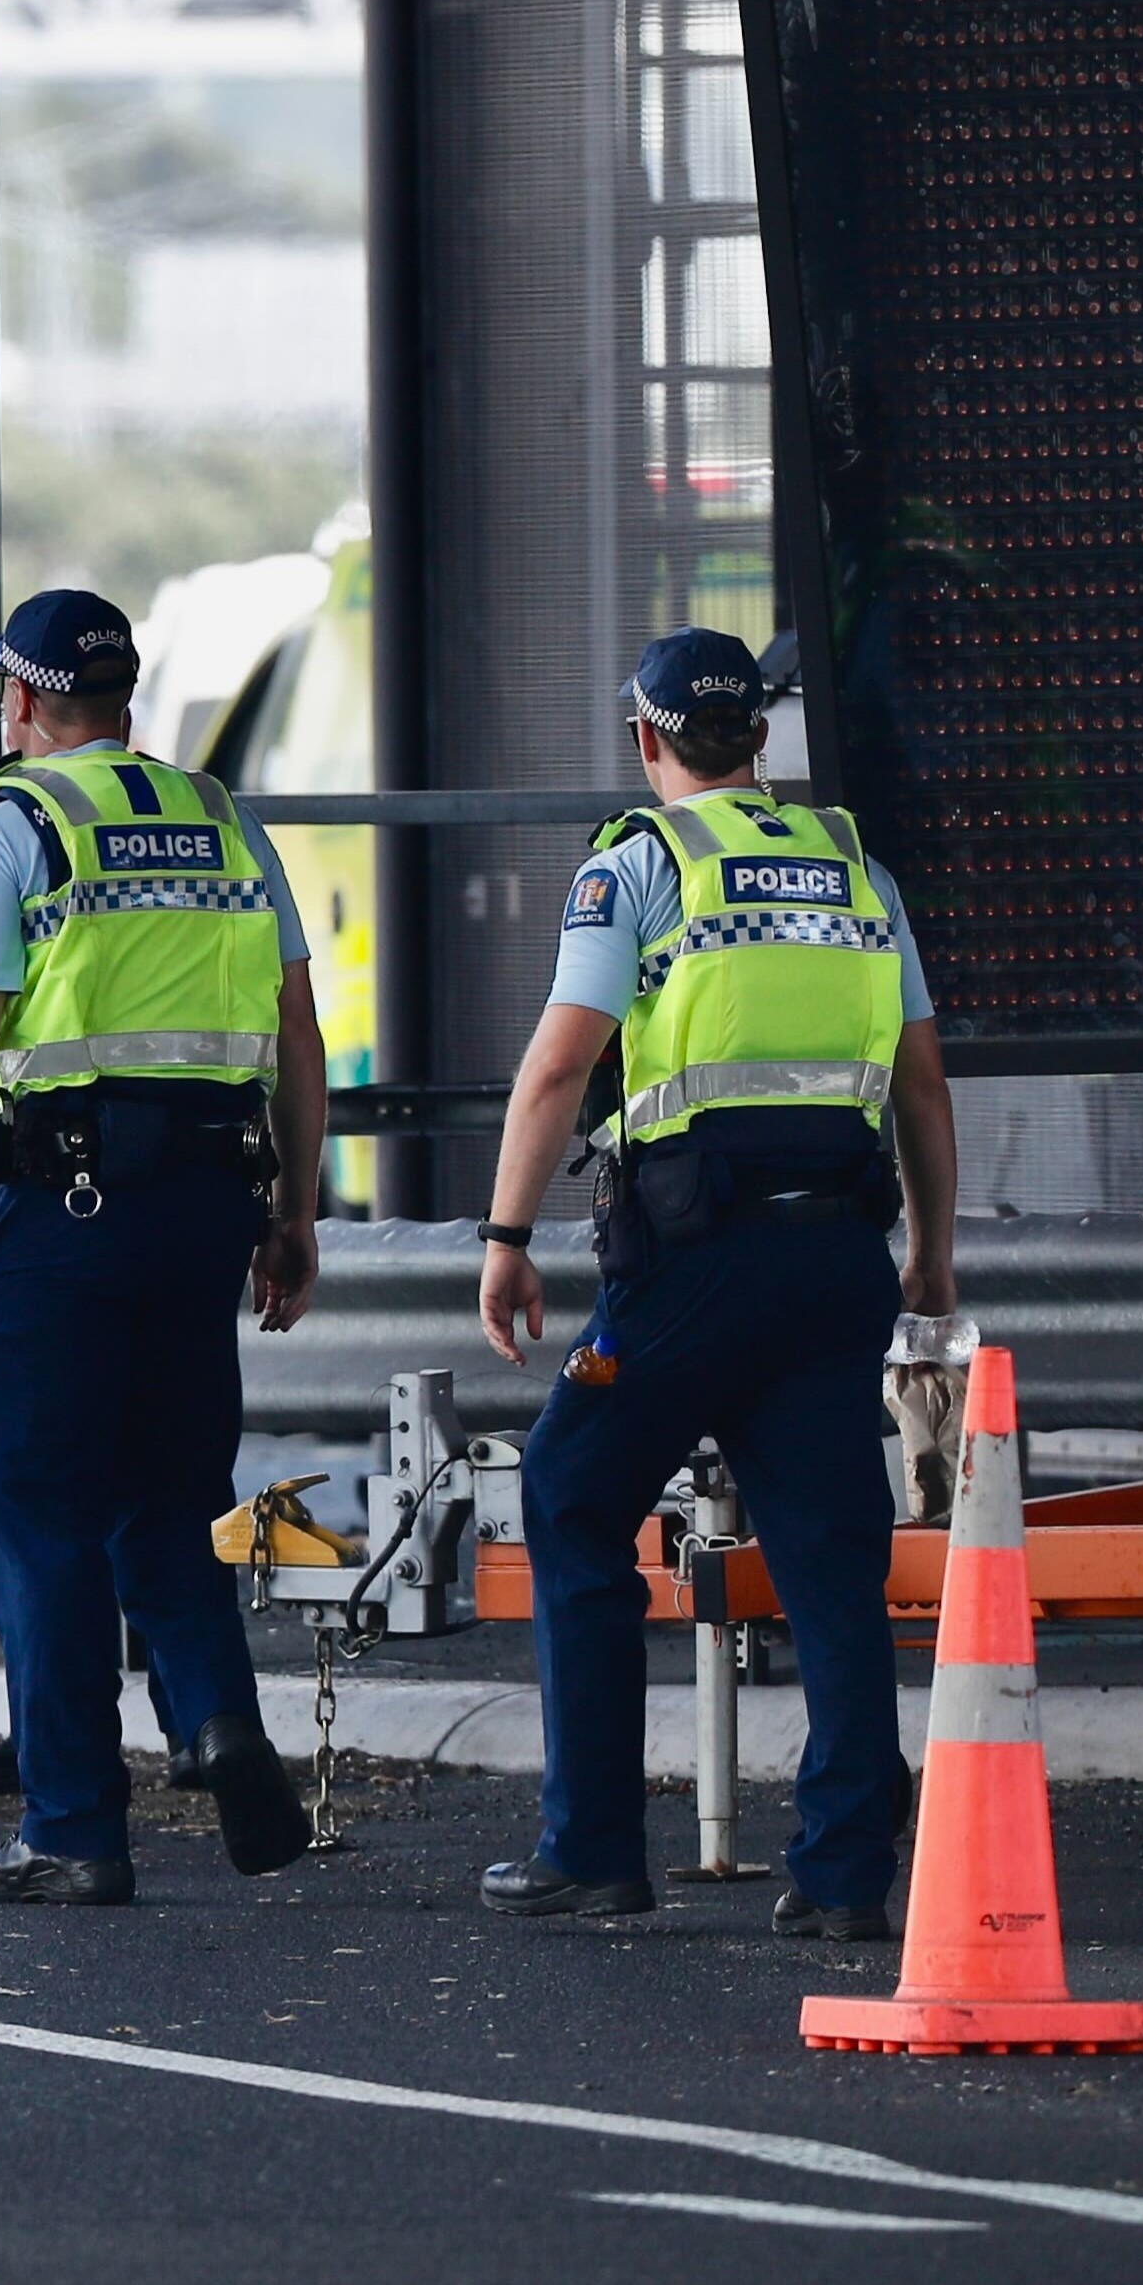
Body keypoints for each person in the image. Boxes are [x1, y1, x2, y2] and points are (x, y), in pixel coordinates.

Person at [466, 630, 960, 1932]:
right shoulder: (860, 868)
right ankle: (850, 1870)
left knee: (571, 1491)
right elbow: (920, 1082)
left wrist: (505, 1233)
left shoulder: (640, 864)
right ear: (758, 738)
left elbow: (564, 1061)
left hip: (690, 1265)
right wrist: (934, 1255)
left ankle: (593, 1845)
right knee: (831, 1563)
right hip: (839, 1261)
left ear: (647, 739)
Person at [0, 588, 327, 1906]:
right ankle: (219, 1719)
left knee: (43, 1517)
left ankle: (71, 1826)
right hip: (206, 1210)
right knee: (167, 1495)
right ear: (120, 696)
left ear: (18, 699)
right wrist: (290, 1213)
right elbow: (300, 1032)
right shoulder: (220, 817)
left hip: (54, 1217)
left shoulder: (9, 826)